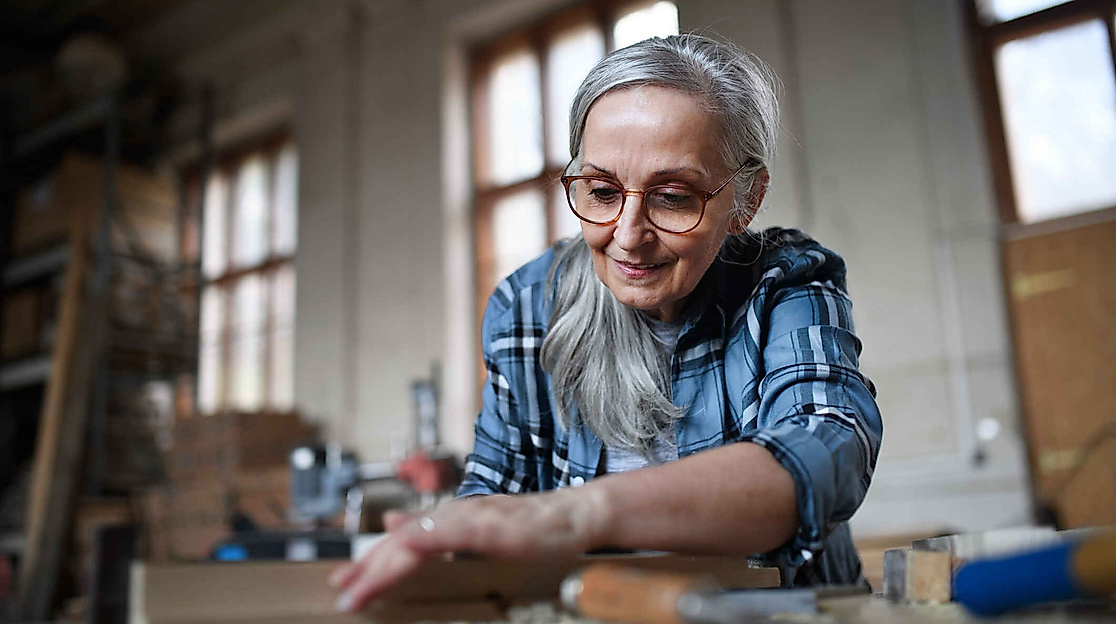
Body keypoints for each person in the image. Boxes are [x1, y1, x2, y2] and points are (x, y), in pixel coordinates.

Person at [331, 33, 883, 613]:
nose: (627, 236)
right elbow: (494, 496)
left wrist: (576, 514)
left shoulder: (785, 281)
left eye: (673, 197)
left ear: (745, 199)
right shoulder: (528, 305)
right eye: (601, 191)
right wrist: (443, 547)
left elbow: (825, 449)